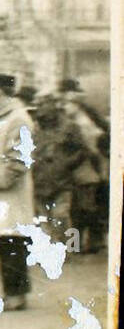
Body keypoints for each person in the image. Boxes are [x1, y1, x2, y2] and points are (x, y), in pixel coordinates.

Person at [0, 73, 37, 311]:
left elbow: (19, 159)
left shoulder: (18, 119)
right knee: (4, 243)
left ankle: (17, 295)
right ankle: (8, 292)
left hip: (10, 193)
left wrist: (0, 183)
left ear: (0, 92)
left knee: (13, 242)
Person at [57, 77, 109, 254]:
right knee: (82, 209)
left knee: (82, 209)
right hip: (86, 170)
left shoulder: (81, 122)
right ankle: (87, 242)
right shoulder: (83, 116)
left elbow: (91, 147)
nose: (64, 107)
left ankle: (83, 243)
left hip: (85, 171)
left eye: (66, 103)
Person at [29, 96, 87, 245]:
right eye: (39, 107)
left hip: (62, 181)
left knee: (60, 215)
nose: (41, 112)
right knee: (44, 219)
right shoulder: (33, 128)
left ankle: (65, 246)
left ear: (54, 108)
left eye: (44, 106)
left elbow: (82, 150)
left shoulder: (70, 127)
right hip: (39, 179)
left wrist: (66, 164)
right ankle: (50, 249)